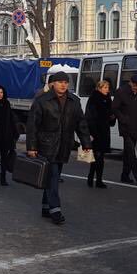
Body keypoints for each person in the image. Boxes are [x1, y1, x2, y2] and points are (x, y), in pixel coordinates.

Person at [26, 71, 91, 225]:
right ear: (52, 84)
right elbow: (32, 125)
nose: (63, 85)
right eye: (60, 82)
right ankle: (55, 210)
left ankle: (45, 207)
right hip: (46, 145)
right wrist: (32, 146)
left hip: (64, 144)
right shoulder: (42, 101)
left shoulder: (74, 101)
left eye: (66, 82)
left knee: (51, 177)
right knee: (53, 177)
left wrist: (86, 142)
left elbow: (81, 123)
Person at [112, 73, 137, 185]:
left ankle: (124, 175)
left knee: (128, 153)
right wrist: (123, 119)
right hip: (125, 127)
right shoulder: (121, 92)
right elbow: (115, 108)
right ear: (131, 83)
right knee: (131, 152)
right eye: (135, 86)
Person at [84, 79, 115, 188]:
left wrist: (112, 117)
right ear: (99, 88)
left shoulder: (108, 99)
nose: (107, 90)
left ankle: (96, 179)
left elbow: (110, 115)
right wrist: (91, 133)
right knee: (97, 156)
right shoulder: (94, 98)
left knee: (100, 156)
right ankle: (93, 178)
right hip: (95, 131)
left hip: (104, 130)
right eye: (105, 88)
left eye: (108, 88)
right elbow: (89, 117)